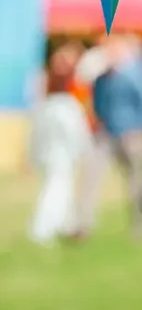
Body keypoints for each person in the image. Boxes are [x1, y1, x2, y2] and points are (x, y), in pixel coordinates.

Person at [78, 34, 142, 238]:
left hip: (133, 134)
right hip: (106, 134)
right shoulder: (102, 78)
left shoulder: (137, 74)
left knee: (137, 182)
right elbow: (97, 103)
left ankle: (140, 226)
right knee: (90, 177)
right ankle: (83, 224)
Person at [28, 66, 91, 245]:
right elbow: (77, 133)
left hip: (48, 156)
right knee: (57, 191)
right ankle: (43, 229)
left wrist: (34, 155)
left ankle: (64, 225)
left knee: (58, 189)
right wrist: (84, 150)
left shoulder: (45, 107)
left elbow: (35, 135)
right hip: (63, 156)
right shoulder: (69, 106)